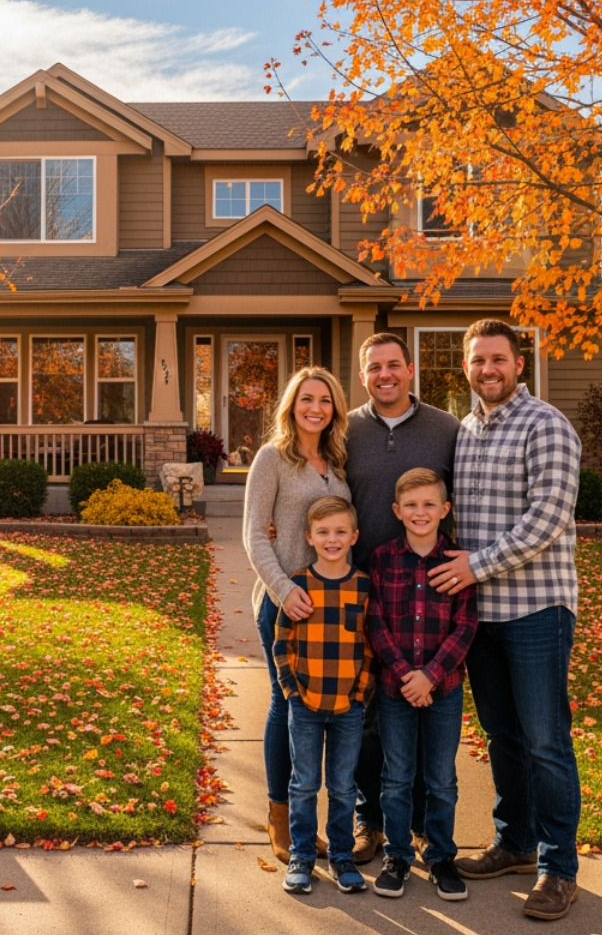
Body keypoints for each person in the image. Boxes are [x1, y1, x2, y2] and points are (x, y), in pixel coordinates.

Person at [426, 318, 582, 921]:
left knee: (546, 740)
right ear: (465, 367)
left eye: (498, 358)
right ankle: (514, 843)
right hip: (483, 617)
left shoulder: (546, 425)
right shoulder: (465, 431)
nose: (487, 369)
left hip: (537, 608)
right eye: (476, 360)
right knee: (503, 736)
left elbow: (546, 520)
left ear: (519, 363)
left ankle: (558, 866)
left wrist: (475, 567)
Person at [345, 333, 459, 863]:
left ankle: (418, 826)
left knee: (426, 713)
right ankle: (370, 820)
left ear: (409, 370)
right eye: (374, 367)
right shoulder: (345, 428)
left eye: (394, 365)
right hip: (367, 590)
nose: (384, 374)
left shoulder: (445, 429)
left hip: (431, 593)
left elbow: (464, 496)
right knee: (370, 718)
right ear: (363, 373)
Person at [243, 366, 351, 864]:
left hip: (334, 608)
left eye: (325, 400)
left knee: (327, 713)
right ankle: (279, 815)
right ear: (292, 405)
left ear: (335, 408)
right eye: (307, 398)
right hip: (285, 605)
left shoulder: (338, 461)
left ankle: (310, 820)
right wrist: (284, 591)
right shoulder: (272, 459)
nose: (316, 408)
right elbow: (251, 537)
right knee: (286, 706)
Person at [365, 468, 476, 900]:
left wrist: (429, 675)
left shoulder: (456, 560)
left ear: (445, 509)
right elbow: (376, 621)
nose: (420, 512)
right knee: (396, 776)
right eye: (411, 505)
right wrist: (404, 674)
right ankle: (397, 855)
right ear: (396, 511)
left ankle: (441, 856)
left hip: (443, 687)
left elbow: (465, 626)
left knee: (441, 778)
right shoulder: (383, 558)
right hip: (395, 688)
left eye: (429, 504)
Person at [272, 495, 372, 894]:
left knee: (344, 785)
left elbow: (369, 646)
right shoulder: (298, 584)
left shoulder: (364, 586)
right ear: (309, 537)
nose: (332, 539)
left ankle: (342, 856)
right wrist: (292, 691)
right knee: (304, 783)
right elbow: (283, 641)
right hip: (306, 704)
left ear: (354, 536)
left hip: (349, 705)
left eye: (340, 532)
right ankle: (302, 854)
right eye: (324, 532)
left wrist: (361, 693)